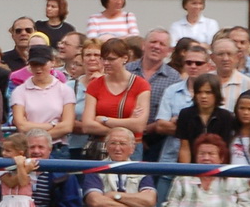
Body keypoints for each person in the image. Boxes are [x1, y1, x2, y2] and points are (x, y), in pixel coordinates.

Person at [82, 37, 151, 147]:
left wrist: (103, 119)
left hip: (131, 147)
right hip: (101, 147)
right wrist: (126, 126)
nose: (106, 63)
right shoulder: (94, 85)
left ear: (125, 58)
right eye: (103, 59)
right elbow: (87, 126)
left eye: (111, 59)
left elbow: (139, 126)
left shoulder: (140, 85)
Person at [128, 28, 180, 159]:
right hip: (124, 138)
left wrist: (144, 130)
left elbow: (172, 117)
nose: (156, 46)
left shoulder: (174, 78)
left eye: (162, 44)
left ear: (169, 51)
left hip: (158, 143)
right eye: (153, 42)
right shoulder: (126, 71)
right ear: (143, 45)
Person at [10, 45, 75, 149]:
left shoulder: (65, 90)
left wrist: (39, 139)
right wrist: (52, 125)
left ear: (52, 62)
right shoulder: (19, 91)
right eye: (34, 65)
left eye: (42, 64)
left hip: (57, 148)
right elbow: (21, 125)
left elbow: (67, 126)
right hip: (30, 148)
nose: (38, 69)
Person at [175, 73, 236, 163]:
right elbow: (184, 147)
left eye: (208, 92)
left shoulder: (226, 116)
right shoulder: (185, 114)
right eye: (199, 92)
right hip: (192, 165)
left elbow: (224, 149)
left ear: (216, 94)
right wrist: (186, 173)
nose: (203, 96)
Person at [208, 37, 250, 108]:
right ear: (212, 57)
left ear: (237, 57)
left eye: (229, 54)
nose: (225, 58)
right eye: (220, 54)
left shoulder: (249, 85)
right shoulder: (205, 81)